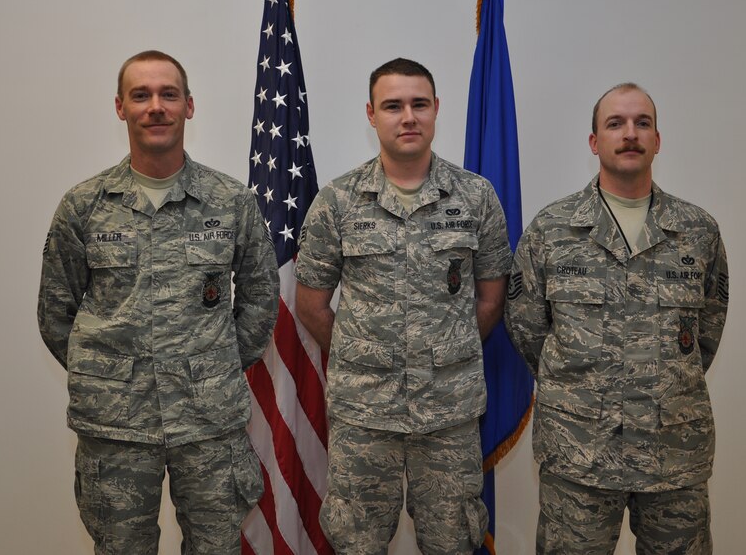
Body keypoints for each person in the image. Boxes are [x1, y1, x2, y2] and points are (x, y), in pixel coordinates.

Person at [37, 50, 279, 554]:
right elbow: (56, 311)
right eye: (141, 95)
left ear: (189, 106)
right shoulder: (84, 205)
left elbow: (259, 297)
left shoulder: (230, 201)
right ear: (120, 107)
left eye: (168, 94)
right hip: (116, 425)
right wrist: (107, 375)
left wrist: (215, 367)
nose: (156, 107)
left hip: (209, 424)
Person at [294, 58, 511, 554]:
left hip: (449, 417)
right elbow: (311, 305)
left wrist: (442, 354)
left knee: (454, 542)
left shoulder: (476, 197)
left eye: (418, 104)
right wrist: (364, 357)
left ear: (436, 110)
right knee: (356, 544)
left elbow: (492, 299)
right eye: (393, 105)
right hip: (363, 417)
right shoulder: (338, 201)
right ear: (371, 115)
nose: (407, 116)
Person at [505, 83, 729, 554]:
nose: (630, 134)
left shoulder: (697, 231)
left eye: (641, 123)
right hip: (578, 453)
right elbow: (527, 329)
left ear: (657, 139)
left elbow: (705, 331)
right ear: (594, 142)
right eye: (615, 123)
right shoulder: (553, 229)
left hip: (674, 454)